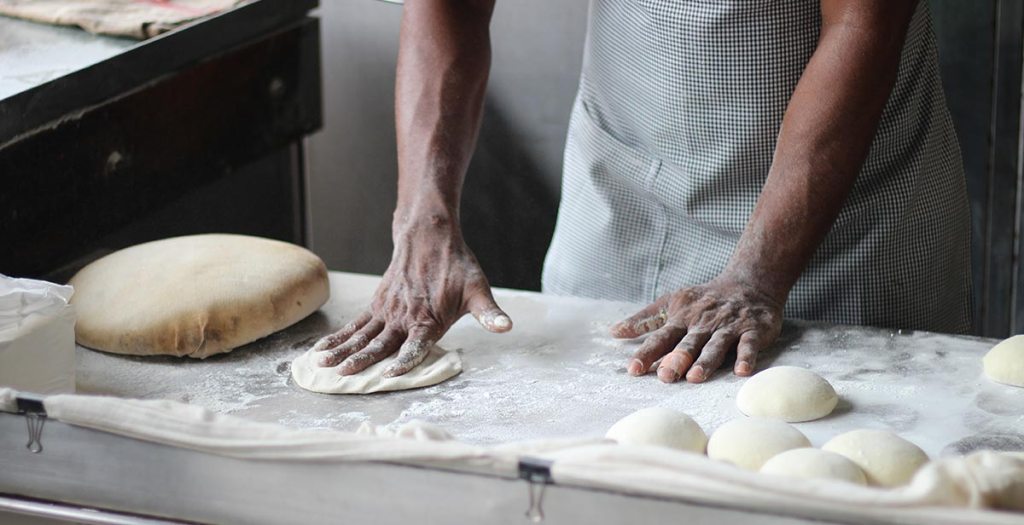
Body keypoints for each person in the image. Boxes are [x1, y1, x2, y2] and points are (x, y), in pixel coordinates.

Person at [311, 0, 971, 384]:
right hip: (622, 193)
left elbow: (865, 23)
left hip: (843, 228)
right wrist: (423, 219)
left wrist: (758, 274)